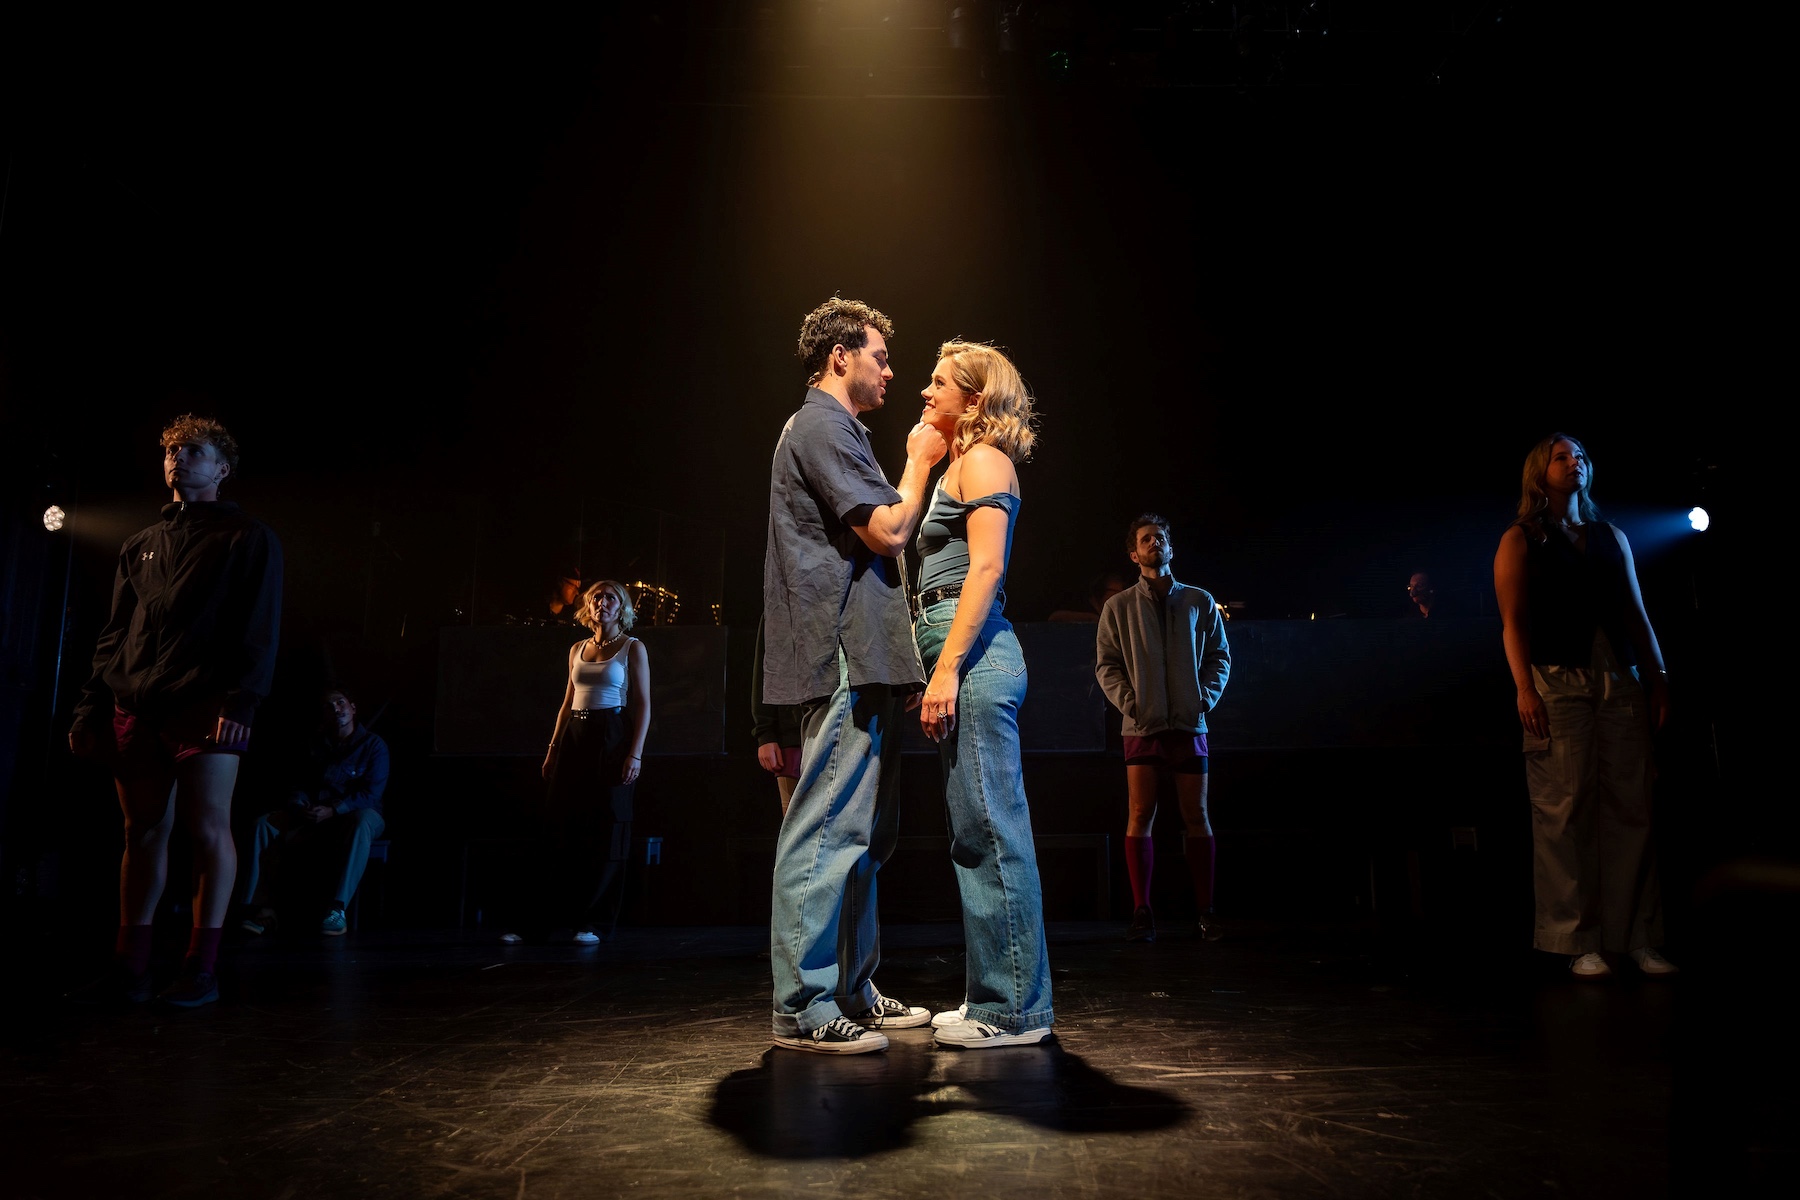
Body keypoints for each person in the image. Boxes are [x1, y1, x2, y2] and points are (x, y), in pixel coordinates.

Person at [762, 297, 947, 1054]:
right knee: (826, 832)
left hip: (868, 656)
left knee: (866, 837)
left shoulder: (840, 431)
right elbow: (889, 530)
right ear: (840, 355)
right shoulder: (820, 426)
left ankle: (851, 989)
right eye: (879, 355)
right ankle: (803, 1006)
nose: (890, 371)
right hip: (840, 651)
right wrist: (922, 459)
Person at [67, 414, 284, 1007]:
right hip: (137, 704)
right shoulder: (140, 543)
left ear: (222, 468)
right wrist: (90, 708)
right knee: (141, 831)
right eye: (171, 451)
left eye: (193, 451)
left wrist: (241, 699)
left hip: (207, 701)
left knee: (208, 827)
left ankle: (201, 968)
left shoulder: (248, 538)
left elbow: (259, 627)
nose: (178, 459)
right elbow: (115, 633)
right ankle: (130, 968)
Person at [911, 341, 1054, 1049]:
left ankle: (1013, 1010)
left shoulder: (986, 460)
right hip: (958, 651)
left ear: (974, 399)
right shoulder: (959, 464)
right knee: (974, 829)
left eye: (939, 383)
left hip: (975, 656)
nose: (925, 392)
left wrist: (947, 670)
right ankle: (992, 994)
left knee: (992, 831)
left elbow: (987, 568)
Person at [1493, 433, 1676, 979]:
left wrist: (1658, 678)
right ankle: (1578, 939)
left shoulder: (1610, 535)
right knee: (1566, 808)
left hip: (1617, 676)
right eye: (1562, 456)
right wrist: (1524, 688)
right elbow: (1513, 623)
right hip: (1556, 678)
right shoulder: (1521, 539)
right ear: (1540, 471)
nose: (1574, 462)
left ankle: (1637, 936)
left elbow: (1636, 612)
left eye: (1580, 456)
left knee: (1631, 807)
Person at [1095, 514, 1231, 943]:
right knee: (1140, 815)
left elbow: (1220, 657)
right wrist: (1132, 705)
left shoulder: (1199, 600)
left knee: (1197, 816)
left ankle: (1206, 911)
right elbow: (1107, 665)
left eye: (1160, 538)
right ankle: (1142, 912)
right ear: (1134, 554)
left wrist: (1202, 700)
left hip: (1190, 727)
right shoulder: (1119, 607)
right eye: (1146, 539)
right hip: (1142, 729)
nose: (1154, 543)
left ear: (1171, 548)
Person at [540, 579, 651, 944]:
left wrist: (635, 753)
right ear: (587, 606)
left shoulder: (632, 647)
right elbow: (566, 702)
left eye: (610, 598)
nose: (602, 603)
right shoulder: (577, 648)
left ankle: (594, 922)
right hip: (576, 733)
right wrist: (553, 748)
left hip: (612, 733)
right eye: (596, 597)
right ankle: (544, 921)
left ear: (622, 607)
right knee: (562, 824)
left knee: (607, 827)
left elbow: (643, 704)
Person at [238, 687, 390, 936]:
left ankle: (337, 908)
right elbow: (298, 785)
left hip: (356, 813)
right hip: (316, 813)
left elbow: (371, 794)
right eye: (329, 706)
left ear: (353, 708)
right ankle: (262, 910)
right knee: (264, 824)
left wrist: (334, 810)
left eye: (340, 703)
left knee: (362, 821)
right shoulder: (315, 745)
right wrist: (301, 806)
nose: (336, 709)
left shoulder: (374, 745)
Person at [750, 616, 804, 817]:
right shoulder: (783, 603)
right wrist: (765, 732)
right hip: (793, 732)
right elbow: (766, 664)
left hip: (837, 724)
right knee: (795, 824)